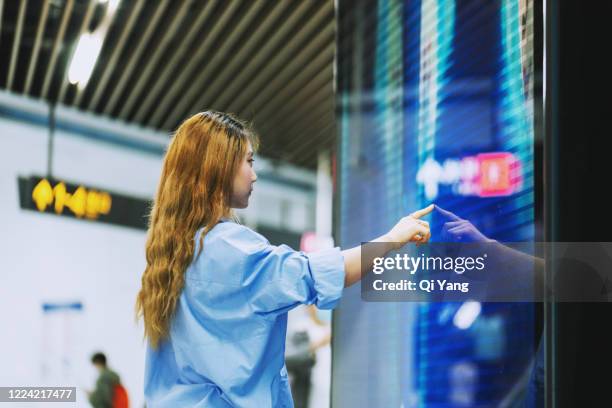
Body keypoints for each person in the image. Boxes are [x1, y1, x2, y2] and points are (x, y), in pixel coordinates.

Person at [135, 110, 433, 407]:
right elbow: (317, 275)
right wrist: (393, 239)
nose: (254, 174)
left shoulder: (171, 254)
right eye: (248, 161)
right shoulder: (230, 248)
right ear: (219, 167)